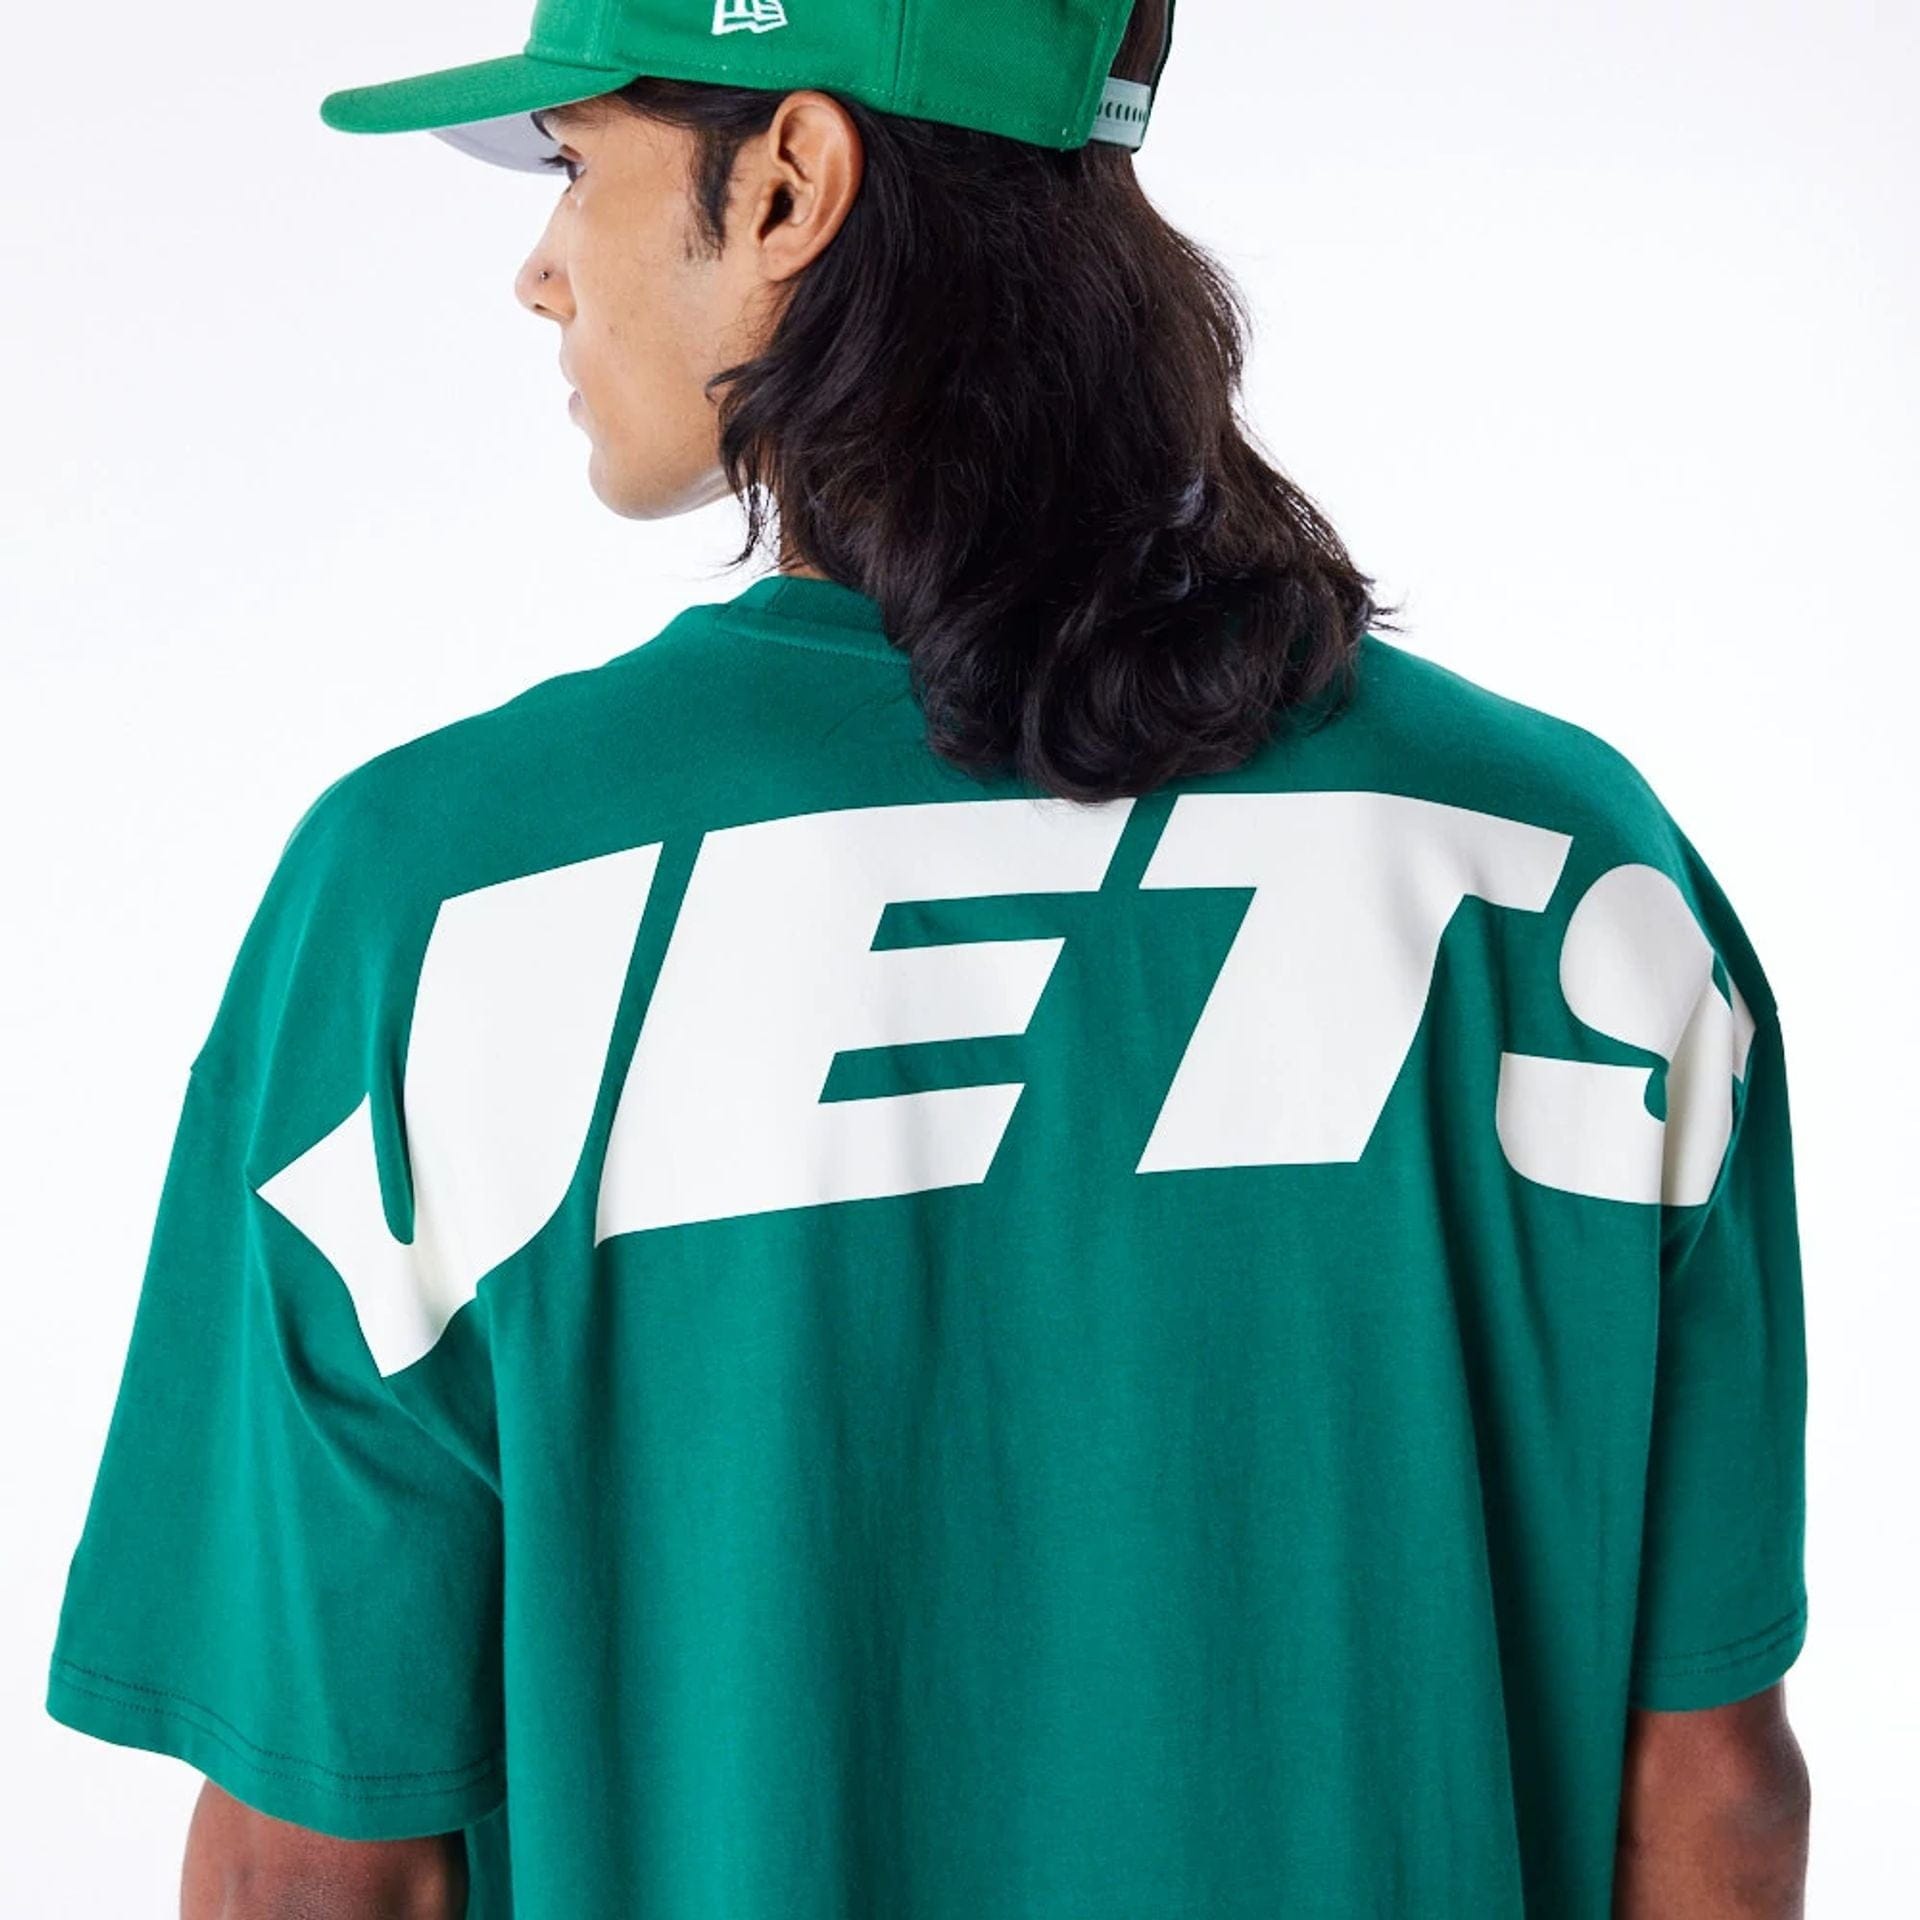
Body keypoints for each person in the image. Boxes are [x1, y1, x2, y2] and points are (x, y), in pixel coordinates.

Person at [45, 3, 1812, 1915]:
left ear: (789, 182)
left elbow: (315, 1864)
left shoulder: (441, 902)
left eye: (574, 163)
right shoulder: (1569, 873)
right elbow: (1709, 1794)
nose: (540, 272)